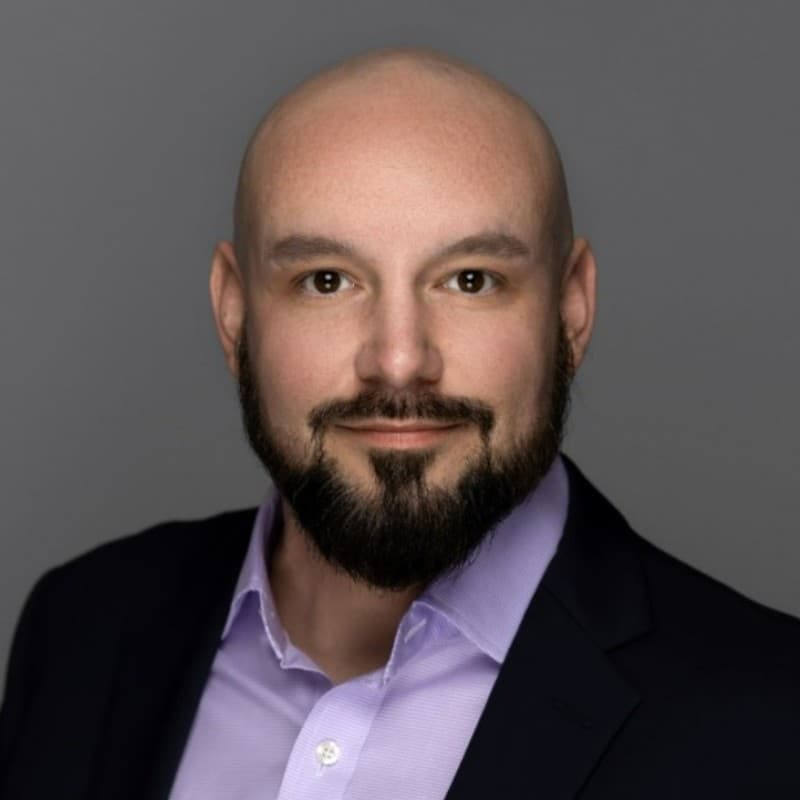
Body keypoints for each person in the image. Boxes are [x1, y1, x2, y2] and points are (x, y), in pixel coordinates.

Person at [1, 47, 799, 800]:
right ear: (235, 313)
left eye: (471, 279)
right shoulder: (82, 628)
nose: (398, 360)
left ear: (572, 308)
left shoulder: (773, 720)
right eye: (326, 280)